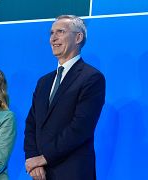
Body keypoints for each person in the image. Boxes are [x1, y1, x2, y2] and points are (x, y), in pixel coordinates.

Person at [24, 15, 105, 180]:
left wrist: (44, 157)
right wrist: (33, 158)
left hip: (73, 171)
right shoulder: (44, 82)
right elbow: (32, 123)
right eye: (51, 33)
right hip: (41, 173)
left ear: (78, 37)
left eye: (60, 32)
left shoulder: (91, 77)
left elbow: (80, 127)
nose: (53, 38)